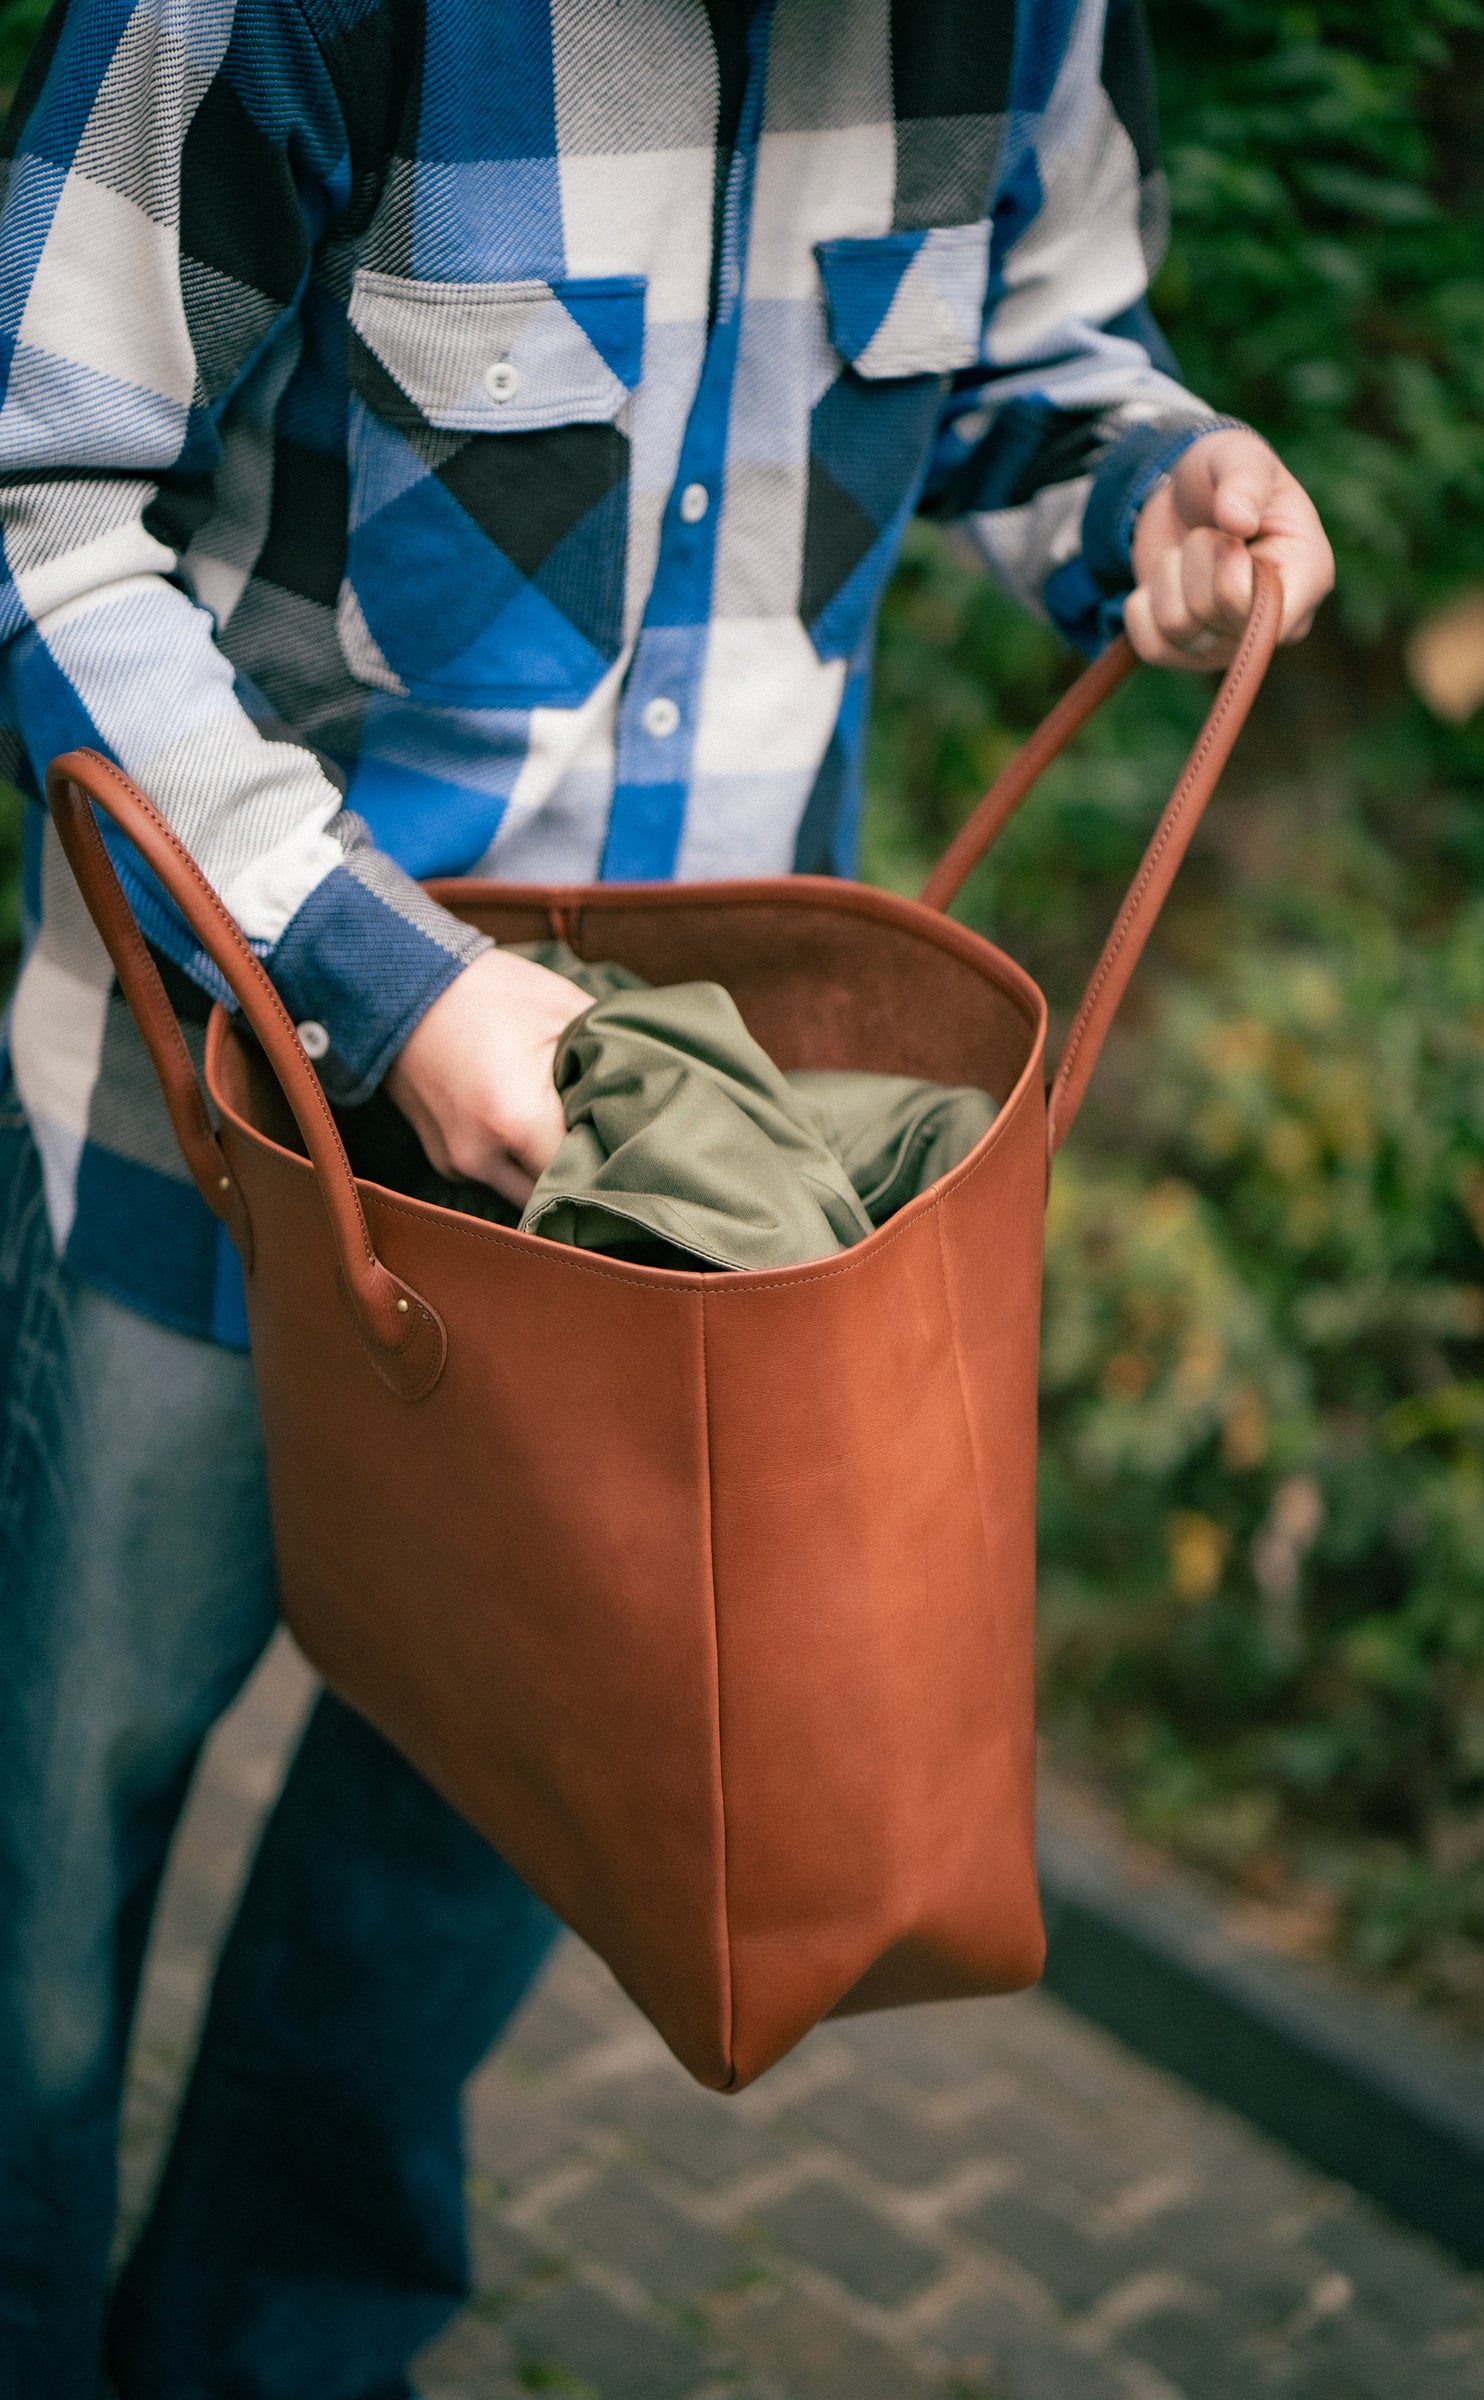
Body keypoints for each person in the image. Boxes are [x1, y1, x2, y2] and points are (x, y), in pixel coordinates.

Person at [0, 0, 1334, 2391]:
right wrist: (378, 977)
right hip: (189, 1131)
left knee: (458, 1881)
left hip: (670, 1233)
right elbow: (30, 490)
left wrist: (1152, 481)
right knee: (36, 1892)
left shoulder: (1029, 19)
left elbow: (1031, 362)